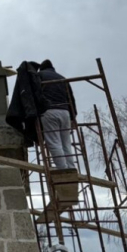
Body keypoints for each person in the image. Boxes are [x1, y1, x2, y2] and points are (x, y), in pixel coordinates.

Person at [36, 59, 80, 214]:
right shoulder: (62, 78)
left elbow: (35, 95)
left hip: (50, 111)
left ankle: (63, 173)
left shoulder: (39, 76)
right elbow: (71, 98)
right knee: (66, 143)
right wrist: (73, 117)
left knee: (53, 143)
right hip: (65, 113)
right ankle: (71, 168)